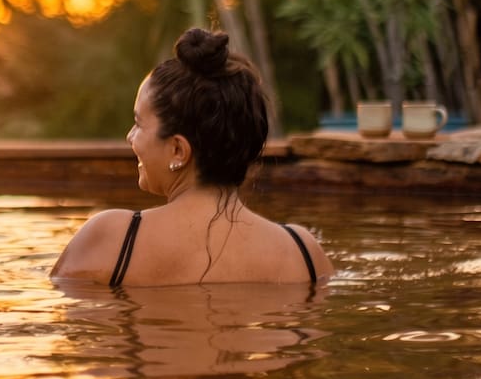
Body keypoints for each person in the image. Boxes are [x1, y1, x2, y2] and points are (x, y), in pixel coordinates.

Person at [52, 27, 333, 286]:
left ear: (178, 150)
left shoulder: (111, 240)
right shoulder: (304, 254)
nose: (130, 136)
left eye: (138, 123)